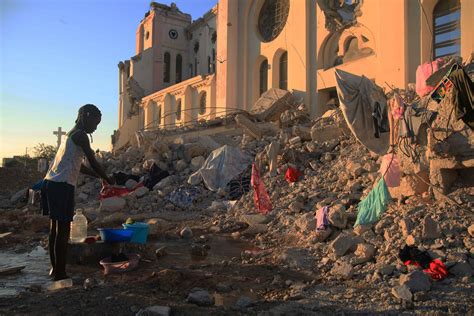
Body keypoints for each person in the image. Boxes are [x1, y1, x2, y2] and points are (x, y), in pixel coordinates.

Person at [41, 104, 114, 281]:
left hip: (51, 183)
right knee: (63, 230)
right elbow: (92, 160)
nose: (95, 128)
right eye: (95, 124)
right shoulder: (81, 135)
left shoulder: (71, 134)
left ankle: (55, 269)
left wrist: (97, 177)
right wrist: (107, 178)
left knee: (55, 229)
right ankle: (60, 273)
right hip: (62, 186)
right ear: (85, 117)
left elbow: (78, 165)